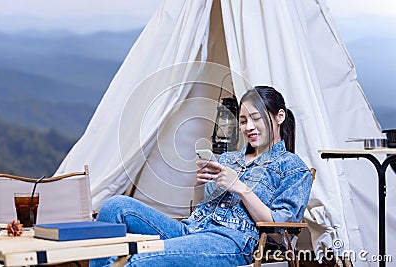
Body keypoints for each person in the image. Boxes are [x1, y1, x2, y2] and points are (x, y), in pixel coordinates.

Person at [90, 85, 312, 267]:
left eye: (257, 118)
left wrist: (241, 189)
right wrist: (201, 183)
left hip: (231, 241)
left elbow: (280, 230)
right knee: (114, 206)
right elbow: (202, 208)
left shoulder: (293, 168)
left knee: (140, 261)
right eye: (243, 121)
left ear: (279, 116)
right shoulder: (227, 159)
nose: (249, 127)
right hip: (191, 229)